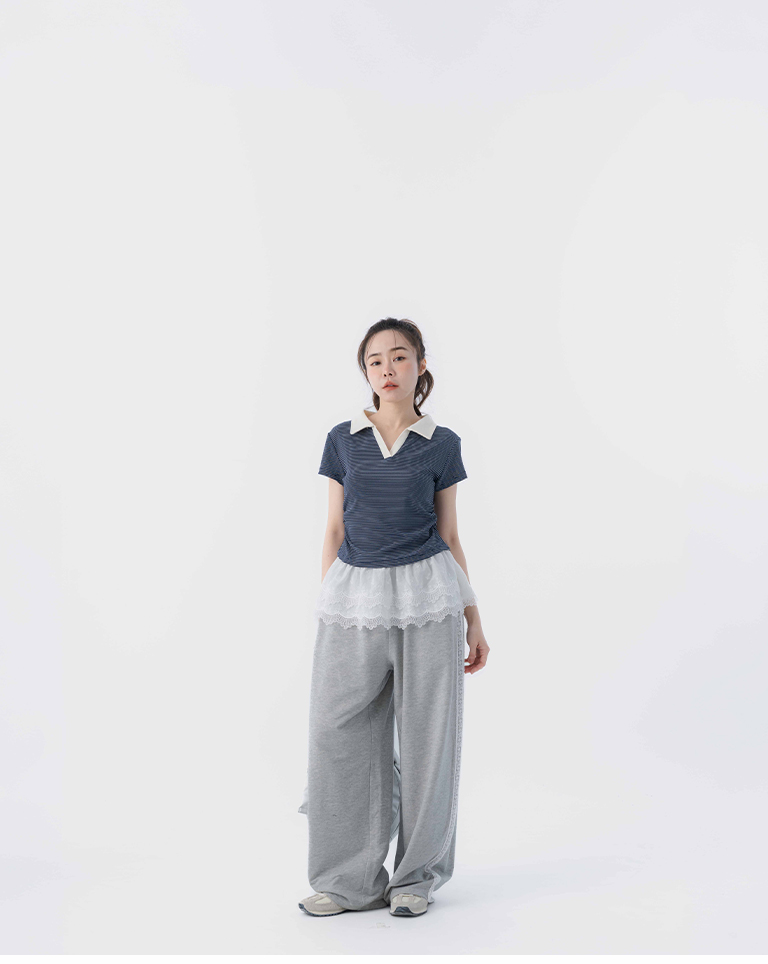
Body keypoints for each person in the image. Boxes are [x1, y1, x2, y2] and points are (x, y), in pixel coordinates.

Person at [298, 317, 489, 919]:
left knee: (429, 738)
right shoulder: (343, 439)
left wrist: (474, 619)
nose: (387, 368)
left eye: (399, 357)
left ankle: (415, 878)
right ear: (365, 371)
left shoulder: (441, 442)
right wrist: (330, 603)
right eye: (375, 360)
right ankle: (346, 880)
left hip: (429, 597)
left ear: (420, 366)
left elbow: (450, 535)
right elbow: (334, 528)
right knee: (338, 733)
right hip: (354, 599)